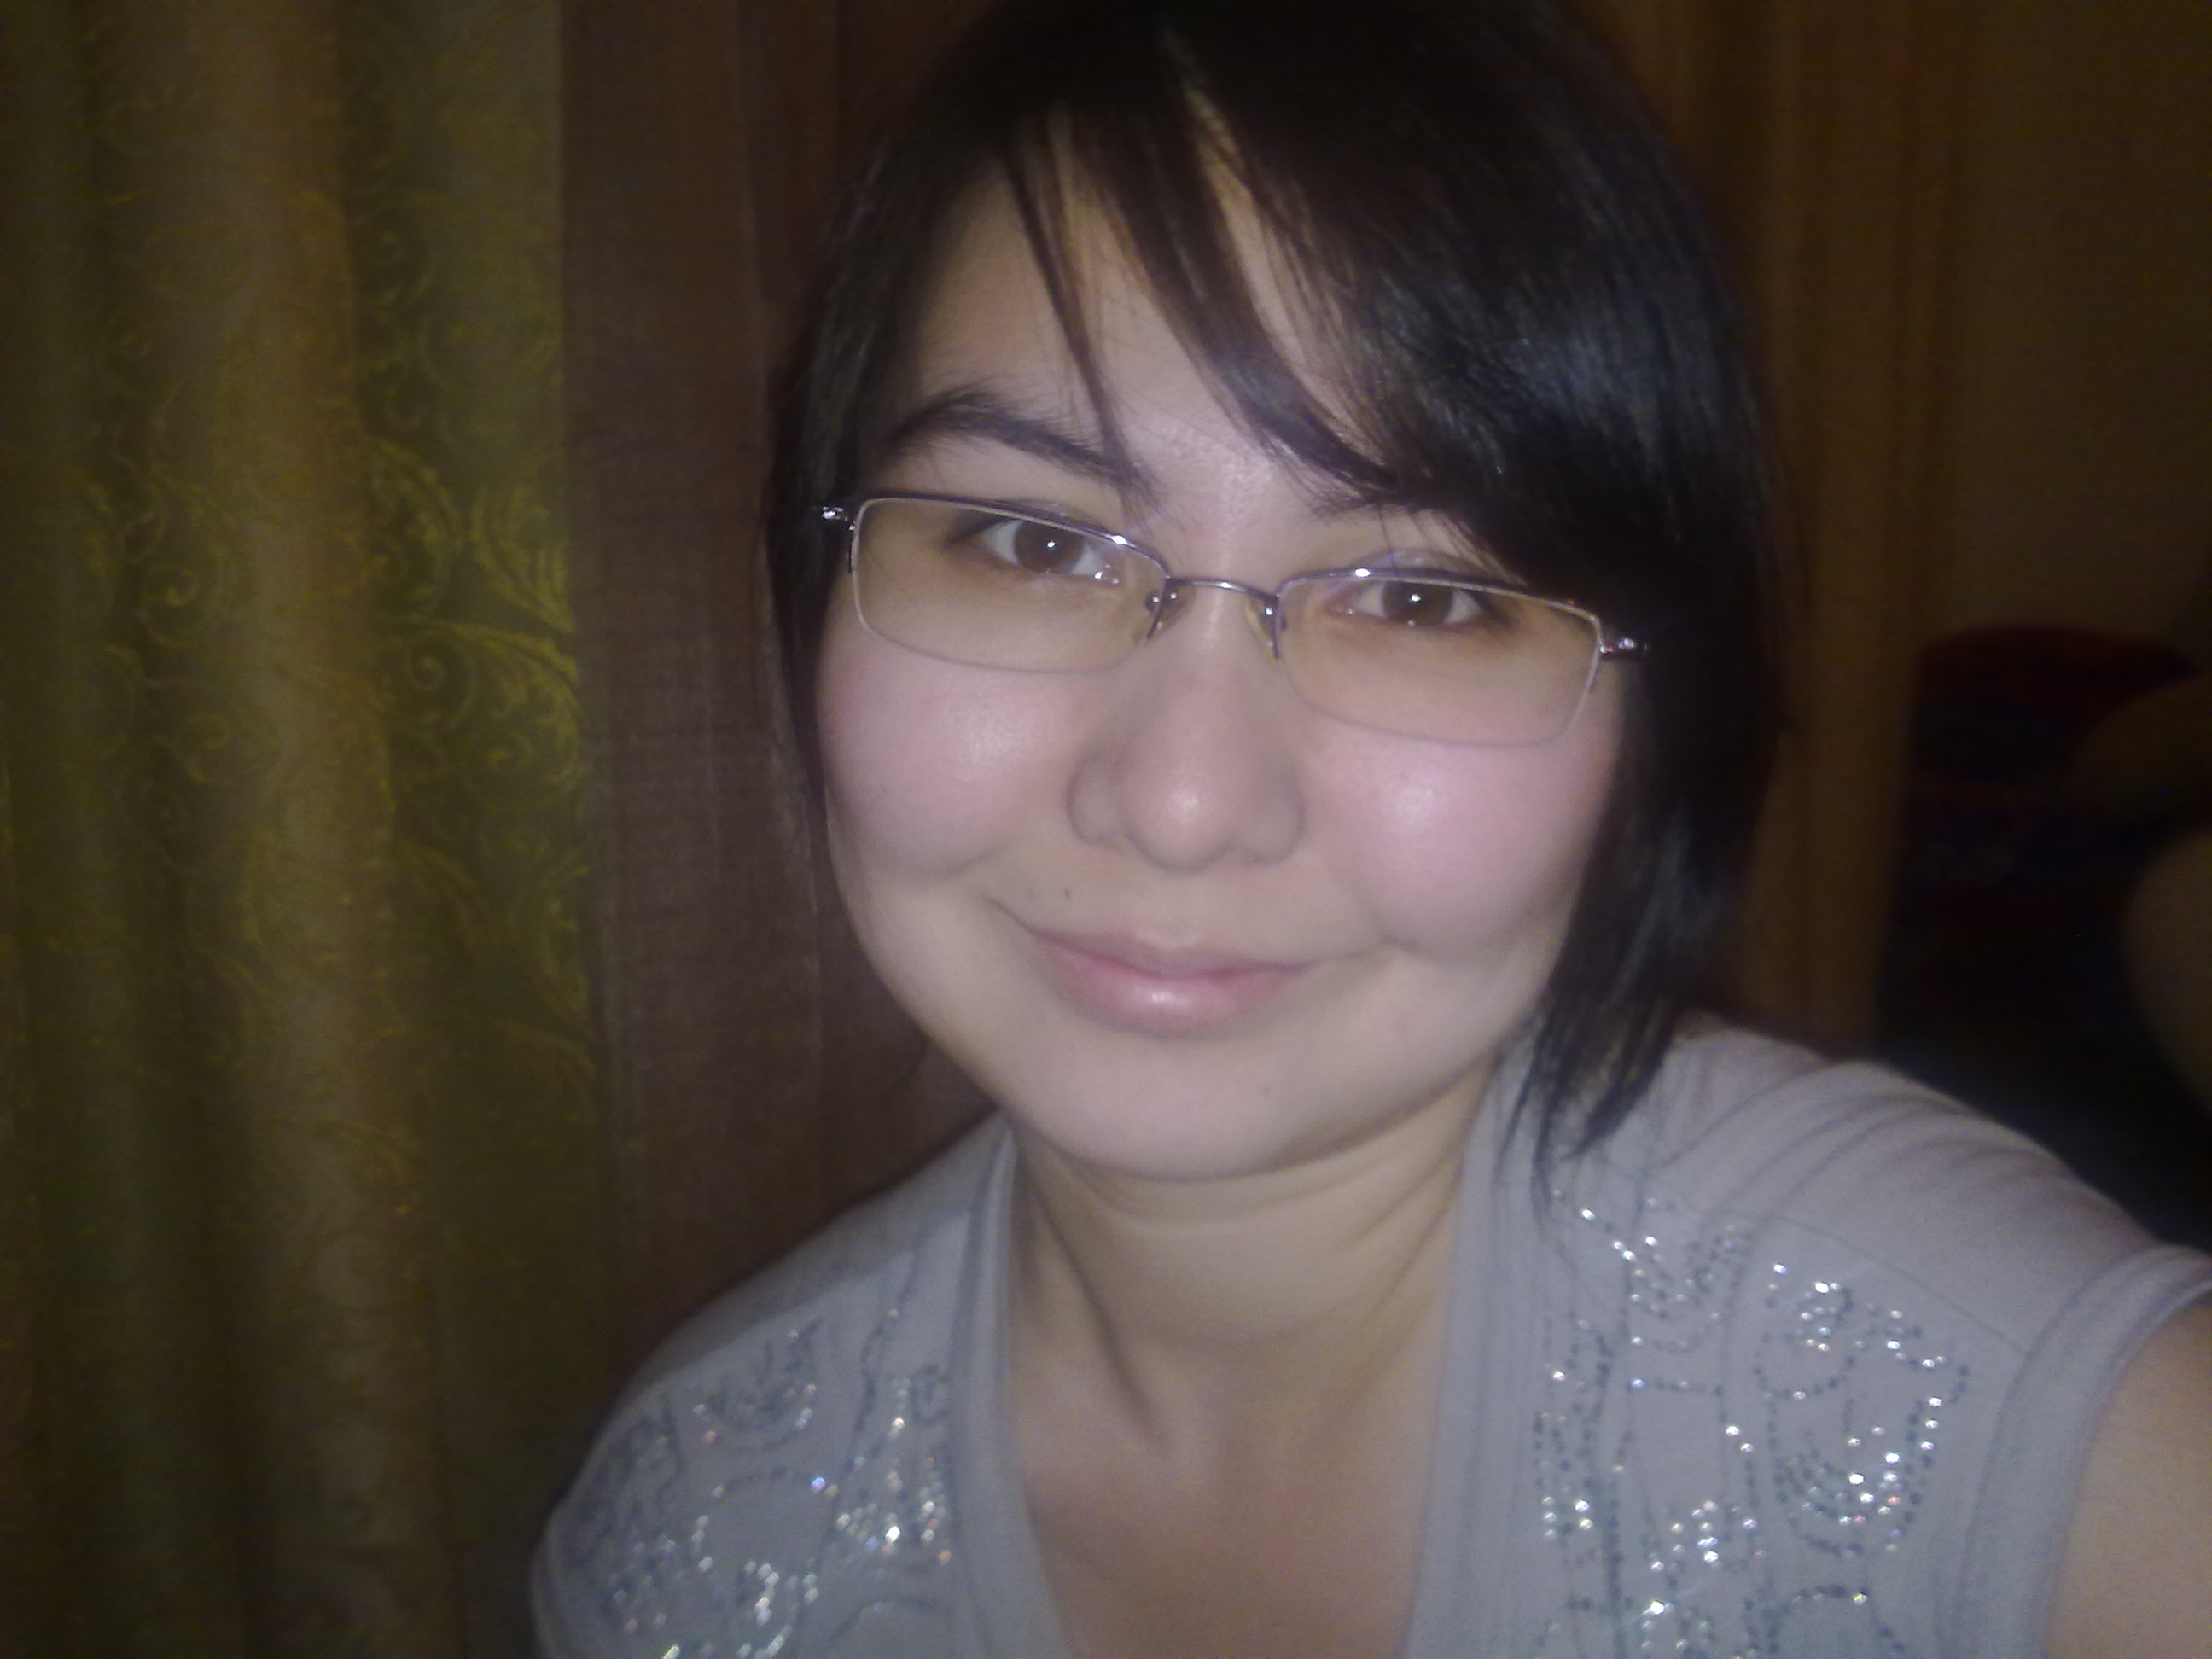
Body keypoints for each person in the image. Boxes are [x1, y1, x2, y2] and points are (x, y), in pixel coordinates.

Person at [532, 2, 2212, 1654]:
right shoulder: (693, 1543)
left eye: (1421, 597)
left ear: (1651, 713)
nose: (1182, 803)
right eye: (1033, 542)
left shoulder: (2016, 1430)